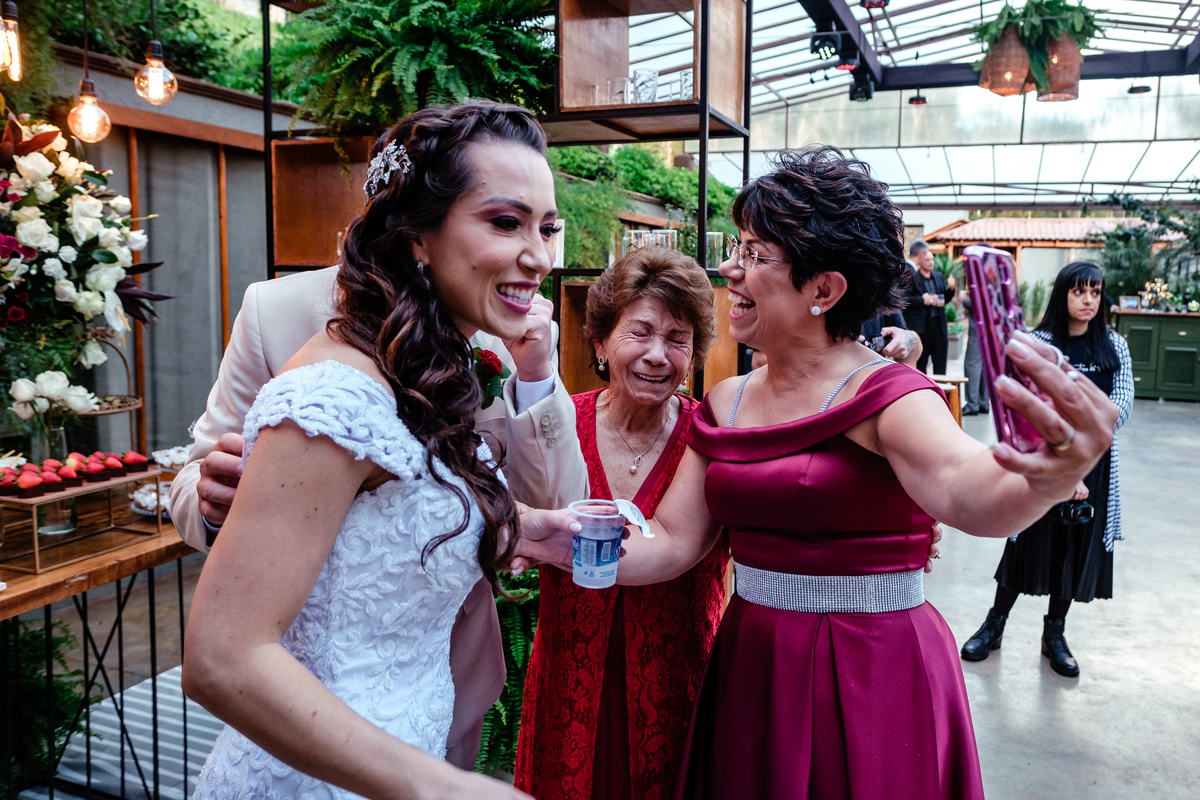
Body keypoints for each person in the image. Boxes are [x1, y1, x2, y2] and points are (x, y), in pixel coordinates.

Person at [532, 147, 1118, 799]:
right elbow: (671, 543)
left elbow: (965, 489)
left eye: (754, 254)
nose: (730, 269)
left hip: (872, 672)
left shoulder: (893, 395)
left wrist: (1043, 471)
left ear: (824, 290)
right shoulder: (727, 399)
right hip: (753, 667)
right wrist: (536, 535)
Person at [182, 103, 580, 799]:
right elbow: (222, 659)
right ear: (416, 236)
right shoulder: (333, 394)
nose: (540, 256)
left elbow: (396, 515)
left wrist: (520, 525)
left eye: (547, 228)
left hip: (418, 724)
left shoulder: (441, 350)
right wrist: (442, 788)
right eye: (505, 222)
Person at [514, 247, 726, 800]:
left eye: (678, 339)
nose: (658, 355)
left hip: (678, 688)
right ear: (602, 341)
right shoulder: (557, 423)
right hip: (570, 684)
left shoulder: (713, 438)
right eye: (641, 332)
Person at [960, 262, 1133, 677]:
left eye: (1095, 292)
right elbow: (1023, 402)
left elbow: (1120, 407)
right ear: (1062, 295)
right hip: (1045, 460)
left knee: (1073, 550)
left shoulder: (1115, 345)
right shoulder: (1037, 344)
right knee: (1025, 542)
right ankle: (994, 624)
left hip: (1092, 466)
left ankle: (1054, 633)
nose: (1088, 300)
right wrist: (1061, 451)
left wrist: (1079, 455)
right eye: (1079, 292)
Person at [903, 240, 956, 375]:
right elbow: (906, 299)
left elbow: (944, 299)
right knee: (921, 365)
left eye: (932, 259)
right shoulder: (913, 275)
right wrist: (924, 300)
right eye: (927, 259)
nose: (931, 262)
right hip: (922, 327)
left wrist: (951, 288)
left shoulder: (938, 277)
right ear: (921, 258)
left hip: (939, 325)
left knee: (940, 365)